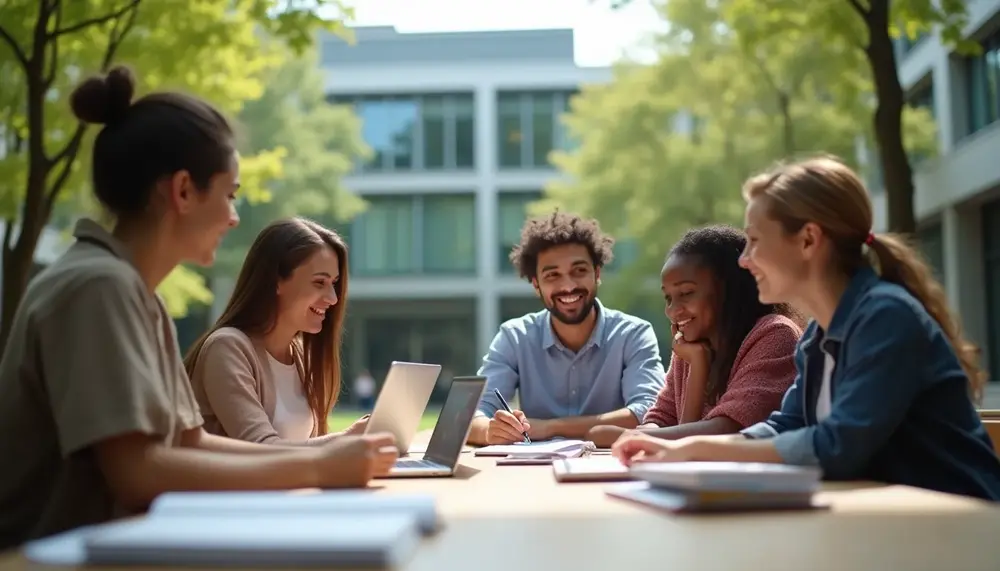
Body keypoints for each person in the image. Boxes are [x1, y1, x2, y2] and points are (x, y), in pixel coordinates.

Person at [0, 66, 398, 549]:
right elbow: (137, 472)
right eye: (229, 196)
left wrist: (328, 454)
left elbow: (190, 443)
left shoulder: (130, 289)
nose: (234, 218)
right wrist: (315, 465)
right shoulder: (98, 287)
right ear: (183, 190)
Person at [612, 155, 1000, 501]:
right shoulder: (816, 338)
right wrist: (686, 449)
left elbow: (838, 445)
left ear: (808, 240)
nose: (744, 261)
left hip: (963, 526)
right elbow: (786, 425)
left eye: (754, 241)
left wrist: (699, 449)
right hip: (892, 523)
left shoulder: (886, 317)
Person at [586, 225, 801, 447]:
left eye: (686, 293)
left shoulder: (775, 334)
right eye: (668, 299)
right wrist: (697, 365)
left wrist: (632, 437)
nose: (672, 310)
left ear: (729, 289)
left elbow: (729, 429)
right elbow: (662, 420)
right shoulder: (691, 346)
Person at [467, 211, 666, 446]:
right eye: (552, 275)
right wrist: (491, 431)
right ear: (536, 285)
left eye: (579, 271)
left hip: (611, 468)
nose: (568, 286)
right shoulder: (514, 337)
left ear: (597, 274)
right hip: (531, 472)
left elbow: (649, 414)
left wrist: (550, 428)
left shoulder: (633, 334)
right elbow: (471, 415)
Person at [184, 217, 369, 445]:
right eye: (319, 283)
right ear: (276, 281)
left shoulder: (300, 355)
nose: (333, 298)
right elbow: (261, 448)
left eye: (334, 283)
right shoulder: (227, 348)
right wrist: (347, 439)